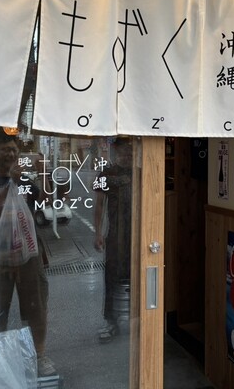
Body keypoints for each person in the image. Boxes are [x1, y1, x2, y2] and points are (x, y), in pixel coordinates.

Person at [0, 130, 56, 377]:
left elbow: (46, 200)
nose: (11, 154)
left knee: (36, 307)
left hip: (28, 254)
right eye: (5, 150)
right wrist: (9, 185)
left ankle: (39, 355)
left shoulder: (24, 182)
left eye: (13, 150)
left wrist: (44, 172)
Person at [93, 138, 132, 343]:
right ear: (115, 152)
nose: (126, 155)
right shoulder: (106, 174)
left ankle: (139, 319)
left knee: (137, 276)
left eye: (129, 152)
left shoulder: (139, 172)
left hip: (137, 234)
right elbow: (99, 204)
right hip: (115, 234)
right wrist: (98, 233)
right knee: (112, 276)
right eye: (123, 151)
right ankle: (111, 321)